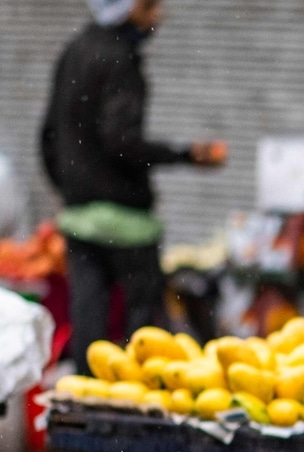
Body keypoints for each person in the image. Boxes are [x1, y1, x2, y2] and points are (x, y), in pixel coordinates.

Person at [40, 0, 225, 374]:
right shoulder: (121, 59)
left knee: (89, 314)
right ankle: (134, 410)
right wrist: (186, 154)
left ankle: (88, 397)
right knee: (141, 328)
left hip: (79, 215)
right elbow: (120, 140)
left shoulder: (74, 51)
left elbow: (48, 136)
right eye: (149, 6)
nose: (158, 15)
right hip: (125, 220)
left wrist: (72, 190)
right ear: (125, 8)